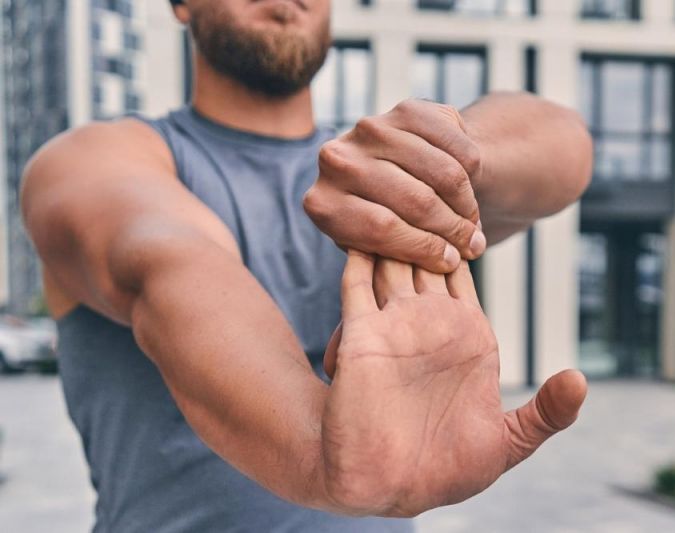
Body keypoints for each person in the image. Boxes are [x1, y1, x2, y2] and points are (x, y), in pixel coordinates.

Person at [20, 0, 593, 531]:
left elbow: (562, 142)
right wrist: (319, 453)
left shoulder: (390, 176)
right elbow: (169, 265)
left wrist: (458, 153)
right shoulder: (93, 161)